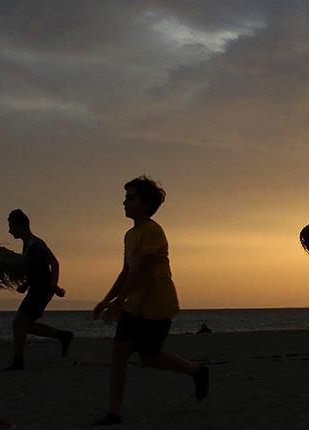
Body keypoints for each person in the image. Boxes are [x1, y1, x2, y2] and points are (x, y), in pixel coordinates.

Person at [92, 176, 209, 426]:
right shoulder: (130, 235)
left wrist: (119, 302)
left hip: (157, 305)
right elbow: (126, 271)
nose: (125, 202)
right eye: (126, 197)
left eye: (130, 197)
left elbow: (140, 269)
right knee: (119, 354)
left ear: (145, 203)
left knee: (150, 357)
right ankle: (114, 413)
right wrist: (106, 300)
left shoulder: (153, 231)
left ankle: (197, 372)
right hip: (134, 305)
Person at [1, 209, 73, 371]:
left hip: (42, 290)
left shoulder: (36, 244)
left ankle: (18, 362)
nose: (10, 230)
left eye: (12, 226)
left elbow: (54, 263)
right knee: (25, 324)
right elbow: (36, 269)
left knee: (19, 322)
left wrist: (54, 285)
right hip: (36, 288)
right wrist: (26, 284)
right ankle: (62, 335)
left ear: (21, 226)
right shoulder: (27, 245)